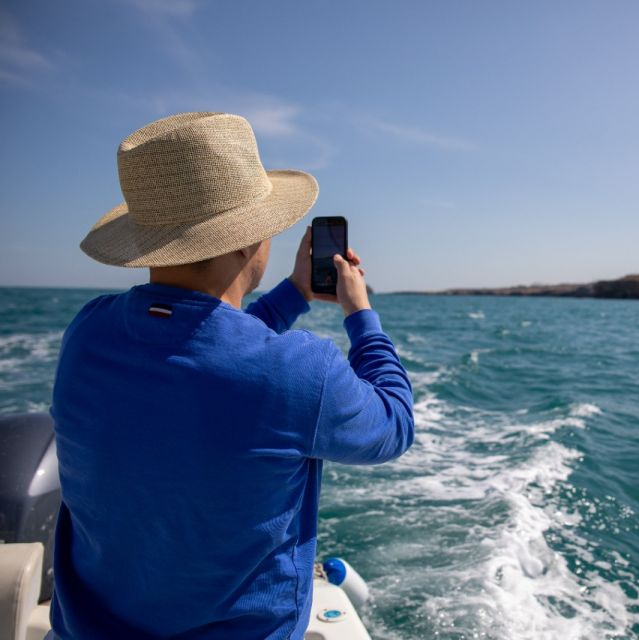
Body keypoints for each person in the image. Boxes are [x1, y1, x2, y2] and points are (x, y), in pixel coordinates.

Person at [46, 112, 415, 639]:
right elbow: (394, 426)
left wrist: (294, 294)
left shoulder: (87, 334)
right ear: (247, 241)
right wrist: (360, 313)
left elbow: (201, 350)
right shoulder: (300, 371)